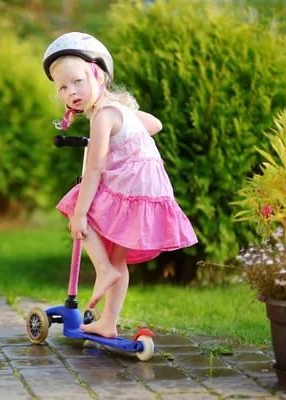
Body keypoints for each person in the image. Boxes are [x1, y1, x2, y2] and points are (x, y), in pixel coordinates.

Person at [43, 32, 198, 338]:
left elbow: (95, 168)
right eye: (62, 87)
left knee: (77, 203)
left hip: (131, 187)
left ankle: (102, 270)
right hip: (150, 190)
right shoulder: (119, 111)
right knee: (119, 258)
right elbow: (155, 124)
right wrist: (127, 121)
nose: (71, 92)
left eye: (77, 81)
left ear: (97, 77)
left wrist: (79, 215)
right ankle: (108, 322)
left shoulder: (102, 117)